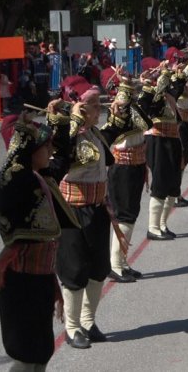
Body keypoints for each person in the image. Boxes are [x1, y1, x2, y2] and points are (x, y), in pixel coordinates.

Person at [0, 110, 80, 371]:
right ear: (29, 149)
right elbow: (9, 179)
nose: (50, 150)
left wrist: (59, 121)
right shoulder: (18, 179)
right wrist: (21, 133)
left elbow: (64, 155)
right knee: (28, 355)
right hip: (21, 280)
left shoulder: (42, 176)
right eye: (45, 146)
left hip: (40, 277)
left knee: (41, 352)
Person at [54, 77, 128, 349]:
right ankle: (71, 328)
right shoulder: (63, 135)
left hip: (97, 209)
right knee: (74, 270)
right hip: (71, 212)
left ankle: (87, 320)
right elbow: (62, 154)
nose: (100, 109)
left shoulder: (94, 133)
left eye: (98, 104)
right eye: (93, 105)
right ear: (78, 108)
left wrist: (120, 116)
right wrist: (71, 120)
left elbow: (108, 155)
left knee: (98, 268)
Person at [105, 75, 152, 283]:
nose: (130, 93)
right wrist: (125, 100)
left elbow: (146, 120)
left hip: (135, 164)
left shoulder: (133, 107)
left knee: (131, 213)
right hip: (122, 166)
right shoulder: (120, 112)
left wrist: (140, 92)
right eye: (126, 90)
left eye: (131, 90)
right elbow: (144, 122)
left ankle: (122, 262)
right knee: (124, 215)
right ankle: (115, 264)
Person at [142, 61, 188, 240]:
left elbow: (179, 84)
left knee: (173, 185)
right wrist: (156, 79)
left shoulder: (170, 94)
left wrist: (178, 73)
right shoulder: (151, 96)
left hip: (172, 140)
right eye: (163, 76)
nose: (167, 77)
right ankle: (153, 227)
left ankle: (162, 223)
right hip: (157, 140)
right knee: (161, 182)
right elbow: (148, 108)